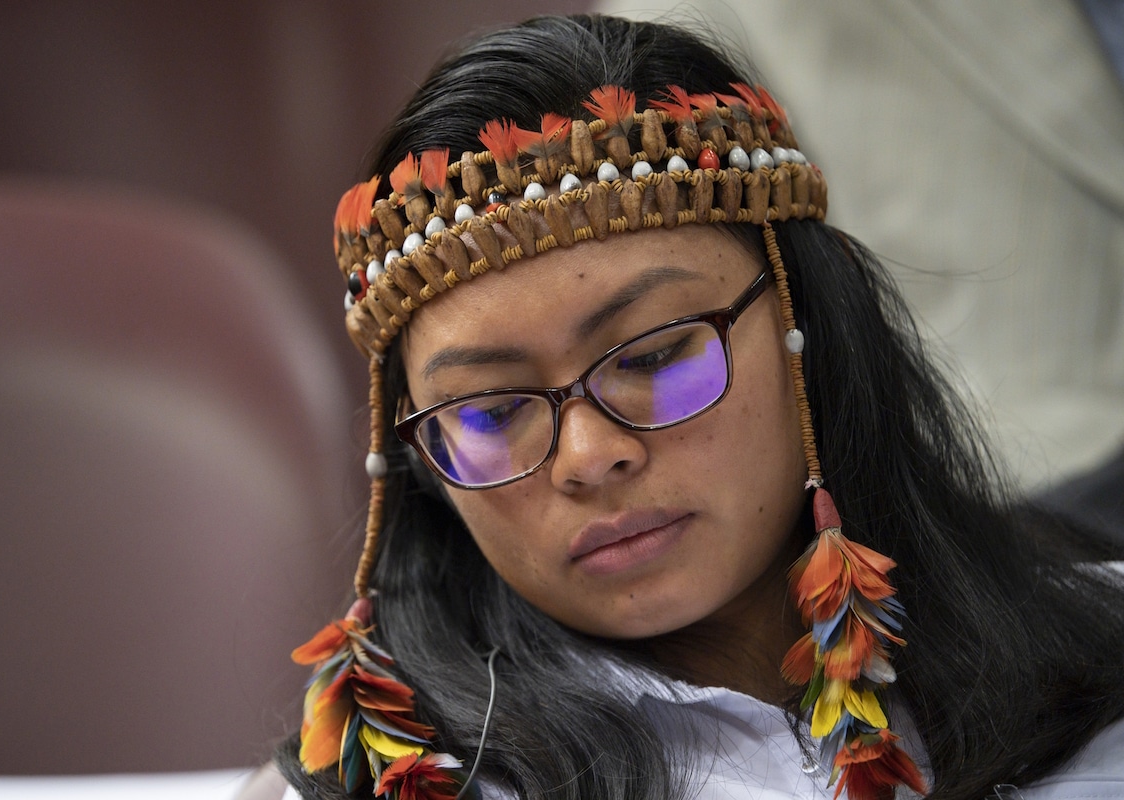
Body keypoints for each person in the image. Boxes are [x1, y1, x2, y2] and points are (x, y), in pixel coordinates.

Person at [257, 14, 1124, 800]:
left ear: (809, 329)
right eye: (487, 413)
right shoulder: (377, 784)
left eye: (656, 356)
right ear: (416, 461)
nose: (589, 456)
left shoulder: (1100, 667)